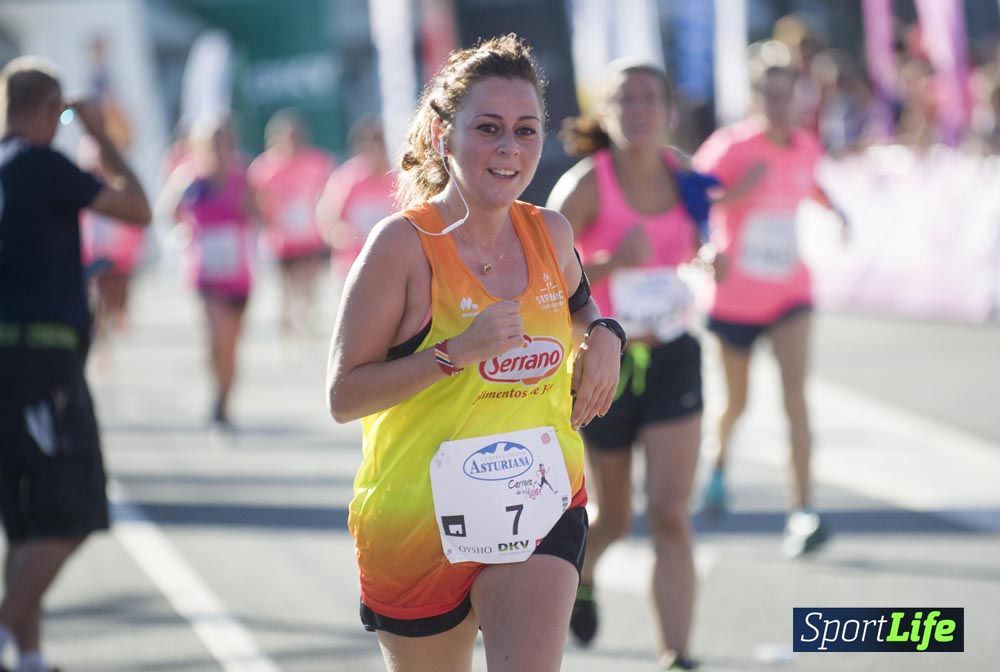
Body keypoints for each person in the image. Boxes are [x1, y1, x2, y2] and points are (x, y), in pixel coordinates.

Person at [326, 34, 622, 672]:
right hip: (414, 523)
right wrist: (455, 352)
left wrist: (606, 338)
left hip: (539, 497)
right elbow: (344, 396)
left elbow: (582, 306)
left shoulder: (550, 232)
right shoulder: (400, 248)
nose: (510, 149)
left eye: (526, 129)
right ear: (443, 135)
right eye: (488, 128)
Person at [548, 59, 719, 669]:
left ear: (669, 111)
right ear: (607, 111)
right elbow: (545, 286)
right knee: (614, 517)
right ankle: (586, 572)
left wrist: (708, 262)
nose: (640, 109)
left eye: (651, 98)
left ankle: (677, 653)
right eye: (627, 98)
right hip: (604, 367)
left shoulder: (688, 177)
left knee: (670, 512)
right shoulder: (585, 186)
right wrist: (613, 263)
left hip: (673, 354)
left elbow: (704, 244)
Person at [0, 56, 151, 672]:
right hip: (42, 361)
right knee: (72, 510)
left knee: (25, 517)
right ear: (49, 108)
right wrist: (99, 135)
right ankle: (11, 626)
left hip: (11, 356)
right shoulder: (40, 163)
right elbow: (137, 208)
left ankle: (29, 657)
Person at [693, 65, 845, 558]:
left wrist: (837, 209)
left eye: (788, 94)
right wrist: (736, 194)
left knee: (795, 397)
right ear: (757, 98)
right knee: (736, 403)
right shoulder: (730, 147)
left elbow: (809, 183)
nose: (781, 104)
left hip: (790, 294)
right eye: (771, 95)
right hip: (736, 298)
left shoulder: (806, 145)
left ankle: (803, 510)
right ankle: (717, 467)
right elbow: (693, 200)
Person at [159, 115, 258, 433]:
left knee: (231, 345)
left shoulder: (242, 179)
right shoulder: (189, 179)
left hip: (238, 274)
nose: (219, 146)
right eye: (213, 140)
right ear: (200, 145)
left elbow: (262, 215)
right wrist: (183, 230)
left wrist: (250, 210)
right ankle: (218, 399)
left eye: (224, 139)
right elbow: (166, 211)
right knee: (216, 338)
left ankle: (225, 399)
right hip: (205, 273)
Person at [247, 110, 334, 336]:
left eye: (297, 136)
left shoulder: (317, 162)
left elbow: (328, 193)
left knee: (308, 287)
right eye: (288, 136)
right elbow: (254, 200)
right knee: (284, 291)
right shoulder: (265, 167)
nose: (294, 141)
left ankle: (306, 325)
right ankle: (286, 332)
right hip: (280, 239)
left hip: (308, 237)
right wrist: (266, 216)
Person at [315, 116, 395, 281]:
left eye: (381, 145)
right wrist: (343, 234)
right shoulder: (346, 179)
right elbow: (328, 218)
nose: (377, 153)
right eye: (371, 147)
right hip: (353, 266)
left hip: (392, 265)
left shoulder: (399, 179)